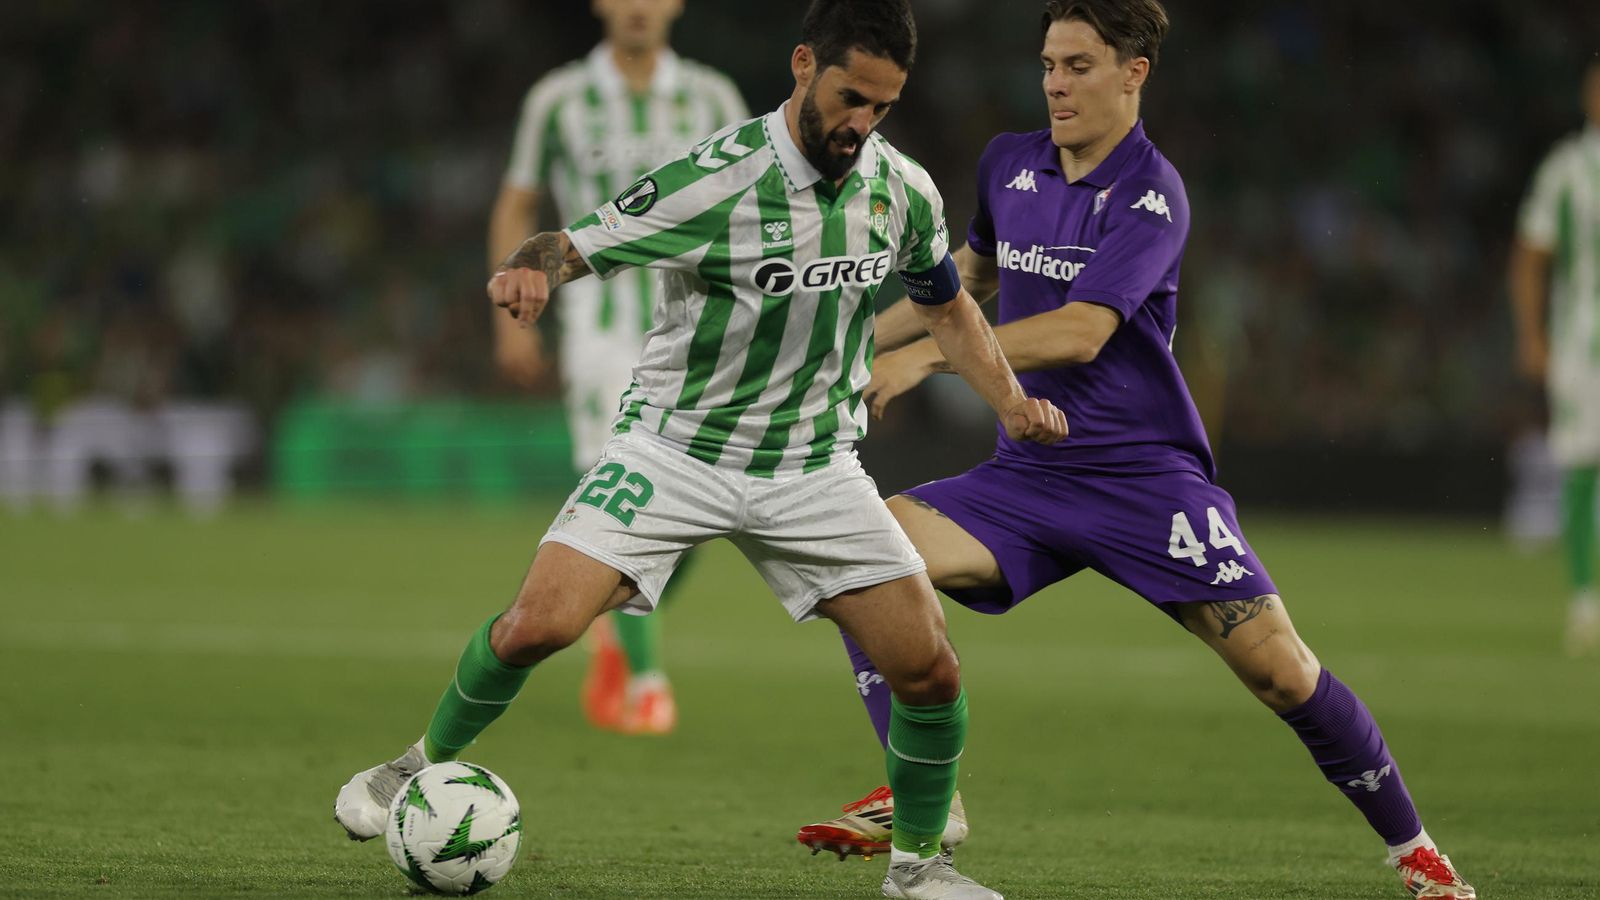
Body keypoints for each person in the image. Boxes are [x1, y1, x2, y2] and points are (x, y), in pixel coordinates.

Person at [337, 2, 1068, 896]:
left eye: (882, 106)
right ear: (804, 64)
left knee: (927, 664)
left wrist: (1011, 401)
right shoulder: (715, 179)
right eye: (849, 98)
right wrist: (533, 271)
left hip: (811, 466)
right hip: (676, 450)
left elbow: (950, 306)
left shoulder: (901, 189)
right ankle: (413, 765)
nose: (861, 124)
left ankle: (918, 871)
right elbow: (569, 241)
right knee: (539, 625)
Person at [794, 2, 1477, 897]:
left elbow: (1080, 332)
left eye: (1078, 65)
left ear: (1134, 71)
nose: (1055, 83)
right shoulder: (1009, 162)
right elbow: (969, 277)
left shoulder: (1155, 196)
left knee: (1281, 674)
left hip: (1144, 480)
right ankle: (927, 794)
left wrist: (928, 357)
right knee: (866, 553)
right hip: (1030, 474)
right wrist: (850, 346)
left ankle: (1419, 857)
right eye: (1048, 63)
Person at [487, 0, 749, 734]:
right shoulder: (559, 98)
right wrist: (507, 312)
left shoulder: (713, 97)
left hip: (701, 323)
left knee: (697, 504)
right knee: (621, 488)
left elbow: (750, 203)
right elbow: (516, 203)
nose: (639, 6)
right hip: (598, 328)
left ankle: (610, 616)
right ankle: (644, 676)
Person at [1510, 56, 1600, 658]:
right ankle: (1586, 603)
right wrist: (1533, 335)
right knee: (1582, 462)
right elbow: (1531, 255)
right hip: (1585, 342)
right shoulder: (1569, 168)